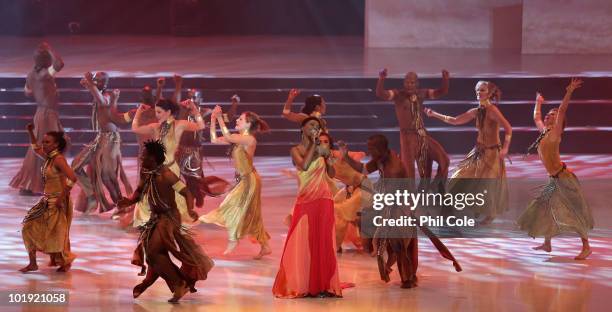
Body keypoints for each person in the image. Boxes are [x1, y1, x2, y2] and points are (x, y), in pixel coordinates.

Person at [342, 134, 461, 288]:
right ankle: (402, 274)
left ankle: (407, 279)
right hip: (392, 205)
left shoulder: (394, 167)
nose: (369, 152)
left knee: (398, 244)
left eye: (372, 149)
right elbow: (364, 169)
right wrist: (346, 156)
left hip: (400, 208)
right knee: (384, 243)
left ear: (380, 149)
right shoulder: (381, 159)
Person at [118, 140, 214, 303]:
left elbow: (186, 193)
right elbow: (139, 191)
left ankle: (179, 283)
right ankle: (179, 283)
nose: (141, 157)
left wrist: (190, 210)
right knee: (153, 255)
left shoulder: (167, 175)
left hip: (169, 218)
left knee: (154, 251)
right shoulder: (145, 172)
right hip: (155, 218)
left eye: (144, 155)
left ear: (153, 158)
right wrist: (129, 201)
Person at [517, 79, 593, 260]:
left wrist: (569, 91)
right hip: (553, 179)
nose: (547, 116)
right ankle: (547, 243)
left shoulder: (556, 132)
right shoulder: (543, 131)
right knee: (544, 208)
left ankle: (586, 246)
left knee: (572, 212)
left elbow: (563, 109)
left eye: (552, 115)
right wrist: (538, 102)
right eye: (548, 114)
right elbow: (536, 116)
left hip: (563, 179)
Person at [273, 117, 342, 298]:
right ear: (302, 128)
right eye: (311, 125)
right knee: (303, 241)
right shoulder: (295, 150)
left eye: (317, 126)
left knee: (324, 241)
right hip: (305, 200)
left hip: (324, 199)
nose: (315, 128)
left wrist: (329, 159)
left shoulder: (322, 149)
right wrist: (314, 144)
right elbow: (303, 165)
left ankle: (323, 285)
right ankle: (305, 283)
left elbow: (332, 174)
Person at [425, 80, 512, 224]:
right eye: (477, 90)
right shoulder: (476, 111)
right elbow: (454, 120)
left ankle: (489, 215)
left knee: (487, 185)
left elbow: (508, 128)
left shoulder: (493, 110)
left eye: (483, 90)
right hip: (478, 152)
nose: (479, 92)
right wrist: (434, 114)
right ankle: (467, 208)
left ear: (489, 93)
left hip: (492, 154)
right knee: (458, 178)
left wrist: (506, 148)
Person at [200, 106, 272, 259]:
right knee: (252, 214)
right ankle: (265, 246)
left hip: (250, 181)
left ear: (248, 124)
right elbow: (214, 139)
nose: (237, 120)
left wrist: (219, 118)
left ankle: (233, 239)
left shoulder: (248, 139)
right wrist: (213, 119)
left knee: (230, 206)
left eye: (241, 119)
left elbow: (229, 136)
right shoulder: (238, 138)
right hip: (244, 181)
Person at [131, 91, 207, 226]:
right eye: (156, 112)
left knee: (173, 195)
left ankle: (171, 217)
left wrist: (194, 109)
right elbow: (135, 129)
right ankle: (153, 218)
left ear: (168, 112)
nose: (156, 115)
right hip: (156, 170)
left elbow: (201, 126)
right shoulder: (155, 127)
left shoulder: (180, 125)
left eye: (159, 112)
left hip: (171, 168)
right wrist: (138, 112)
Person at [376, 69, 450, 192]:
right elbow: (381, 94)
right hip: (407, 138)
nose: (409, 85)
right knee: (408, 173)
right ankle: (409, 202)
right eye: (407, 82)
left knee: (444, 159)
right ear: (404, 83)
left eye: (412, 82)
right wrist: (381, 79)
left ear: (417, 84)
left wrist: (445, 79)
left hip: (421, 134)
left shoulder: (421, 94)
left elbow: (441, 92)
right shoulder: (398, 95)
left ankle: (435, 188)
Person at [71, 72, 133, 214]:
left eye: (98, 81)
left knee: (107, 177)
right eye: (95, 80)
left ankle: (121, 206)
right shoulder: (98, 92)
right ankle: (91, 195)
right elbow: (90, 89)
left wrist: (89, 83)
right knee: (75, 166)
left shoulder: (106, 97)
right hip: (100, 138)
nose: (95, 82)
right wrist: (88, 83)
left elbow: (101, 100)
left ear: (104, 84)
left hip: (111, 141)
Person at [11, 42, 67, 196]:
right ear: (46, 60)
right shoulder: (45, 74)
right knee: (50, 147)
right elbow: (60, 63)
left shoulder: (31, 74)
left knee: (39, 147)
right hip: (48, 115)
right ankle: (42, 183)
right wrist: (50, 49)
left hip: (40, 113)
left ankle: (31, 184)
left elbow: (27, 92)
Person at [20, 123, 77, 273]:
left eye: (47, 142)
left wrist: (60, 198)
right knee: (28, 227)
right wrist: (30, 132)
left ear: (56, 144)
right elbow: (35, 148)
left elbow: (72, 178)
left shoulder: (58, 159)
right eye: (43, 141)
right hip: (46, 200)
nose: (43, 145)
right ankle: (33, 263)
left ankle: (65, 261)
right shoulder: (48, 157)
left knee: (58, 233)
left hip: (58, 202)